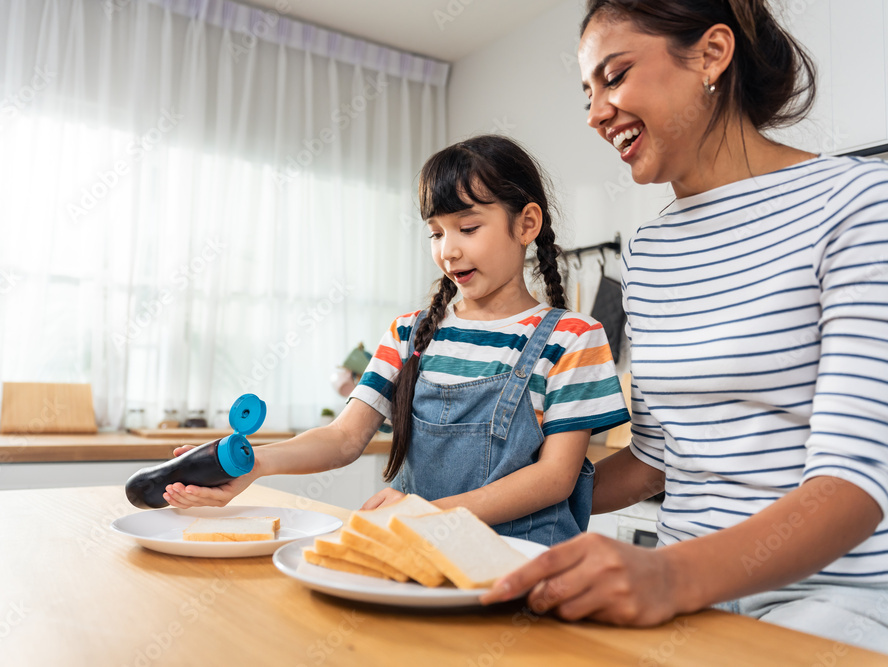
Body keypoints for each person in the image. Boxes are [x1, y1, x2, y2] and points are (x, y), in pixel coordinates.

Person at [481, 0, 888, 653]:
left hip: (828, 603)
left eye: (613, 77)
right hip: (687, 601)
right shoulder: (647, 254)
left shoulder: (858, 205)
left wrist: (667, 576)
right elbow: (657, 459)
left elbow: (853, 484)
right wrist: (501, 485)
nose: (595, 114)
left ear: (712, 54)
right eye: (586, 93)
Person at [162, 134, 630, 545]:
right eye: (436, 233)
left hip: (526, 571)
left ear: (526, 224)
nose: (448, 250)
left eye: (468, 228)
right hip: (417, 562)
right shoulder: (410, 334)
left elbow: (554, 479)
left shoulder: (573, 338)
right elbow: (344, 438)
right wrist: (253, 465)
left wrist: (426, 514)